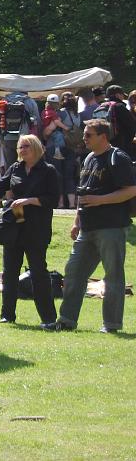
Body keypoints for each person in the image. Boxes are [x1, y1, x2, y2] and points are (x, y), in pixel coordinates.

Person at [55, 119, 136, 333]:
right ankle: (66, 320)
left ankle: (111, 325)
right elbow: (84, 193)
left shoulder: (117, 157)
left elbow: (130, 190)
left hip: (111, 227)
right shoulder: (89, 158)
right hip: (87, 227)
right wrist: (76, 221)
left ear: (103, 136)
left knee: (113, 277)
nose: (84, 137)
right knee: (73, 272)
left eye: (89, 134)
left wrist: (101, 200)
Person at [0, 134, 60, 328]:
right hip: (14, 227)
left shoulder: (48, 171)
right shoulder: (15, 168)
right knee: (9, 272)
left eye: (26, 146)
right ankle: (7, 315)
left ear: (36, 147)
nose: (21, 150)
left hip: (37, 228)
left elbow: (53, 199)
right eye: (20, 147)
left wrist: (29, 201)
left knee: (39, 273)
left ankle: (48, 318)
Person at [97, 85, 136, 160]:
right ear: (117, 95)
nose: (123, 98)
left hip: (104, 145)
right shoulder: (119, 107)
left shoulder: (100, 107)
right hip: (121, 146)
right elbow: (132, 126)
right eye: (122, 95)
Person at [57, 92, 82, 208]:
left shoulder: (61, 113)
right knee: (70, 175)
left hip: (60, 145)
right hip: (72, 147)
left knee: (58, 174)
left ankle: (61, 202)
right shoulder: (78, 115)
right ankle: (72, 203)